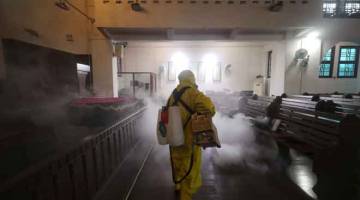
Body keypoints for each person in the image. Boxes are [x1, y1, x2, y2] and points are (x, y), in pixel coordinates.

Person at [167, 70, 215, 200]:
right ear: (192, 79)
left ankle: (178, 186)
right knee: (189, 170)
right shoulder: (193, 93)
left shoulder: (173, 94)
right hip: (188, 139)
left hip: (174, 137)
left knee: (177, 163)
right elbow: (209, 107)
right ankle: (185, 197)